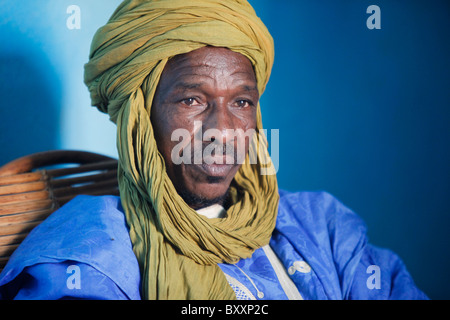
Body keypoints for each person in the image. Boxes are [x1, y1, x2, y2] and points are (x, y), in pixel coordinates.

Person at [0, 0, 427, 300]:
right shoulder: (91, 251)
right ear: (140, 119)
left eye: (241, 102)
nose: (223, 131)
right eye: (192, 100)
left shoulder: (322, 226)